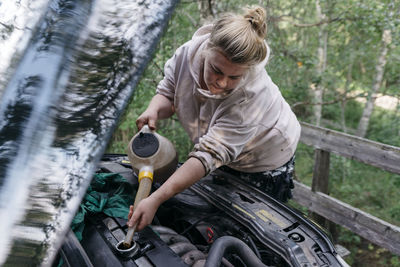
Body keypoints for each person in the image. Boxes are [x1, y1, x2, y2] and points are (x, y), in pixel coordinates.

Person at [127, 6, 301, 231]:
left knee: (247, 230)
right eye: (216, 70)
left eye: (234, 77)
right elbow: (168, 91)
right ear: (206, 49)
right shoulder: (187, 54)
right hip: (219, 149)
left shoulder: (251, 96)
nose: (222, 83)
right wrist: (153, 109)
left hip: (264, 157)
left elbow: (208, 155)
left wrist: (156, 199)